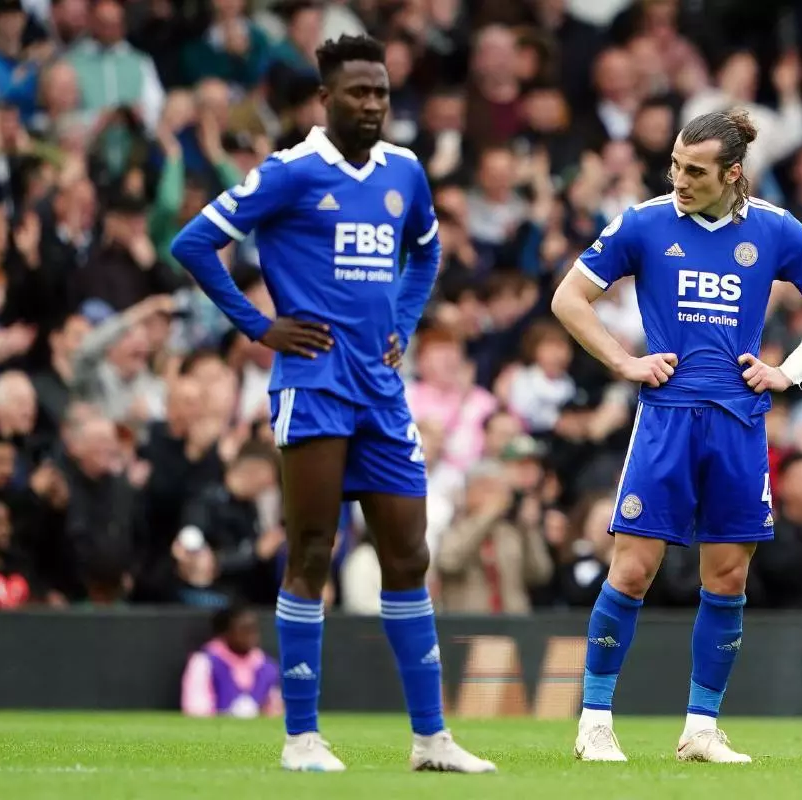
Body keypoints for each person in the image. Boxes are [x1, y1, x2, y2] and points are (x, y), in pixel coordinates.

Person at [171, 35, 494, 774]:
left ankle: (431, 739)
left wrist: (403, 327)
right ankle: (302, 738)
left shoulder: (405, 172)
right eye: (359, 92)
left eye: (381, 92)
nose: (374, 104)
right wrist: (259, 326)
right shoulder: (288, 173)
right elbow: (193, 244)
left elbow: (428, 253)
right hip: (312, 384)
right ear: (326, 99)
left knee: (408, 554)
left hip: (380, 392)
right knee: (312, 550)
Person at [550, 108, 802, 763]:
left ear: (732, 174)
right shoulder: (645, 221)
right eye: (675, 166)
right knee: (631, 572)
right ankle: (595, 722)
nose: (679, 179)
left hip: (740, 424)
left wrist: (789, 371)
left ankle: (701, 729)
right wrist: (624, 362)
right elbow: (568, 298)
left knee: (727, 579)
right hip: (665, 419)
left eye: (694, 170)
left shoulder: (775, 230)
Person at [181, 603, 282, 718]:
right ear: (225, 632)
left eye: (253, 630)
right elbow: (195, 710)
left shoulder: (267, 666)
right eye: (243, 630)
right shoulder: (204, 661)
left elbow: (275, 712)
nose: (251, 636)